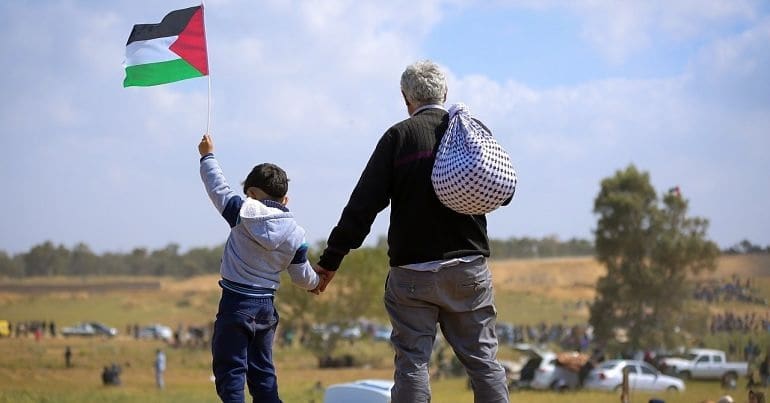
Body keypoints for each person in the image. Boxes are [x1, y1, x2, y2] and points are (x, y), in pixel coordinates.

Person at [314, 60, 511, 403]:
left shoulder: (398, 137)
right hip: (468, 272)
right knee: (483, 363)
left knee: (412, 365)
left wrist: (331, 260)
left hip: (412, 277)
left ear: (406, 98)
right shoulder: (471, 132)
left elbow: (363, 206)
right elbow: (501, 190)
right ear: (445, 93)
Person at [198, 134, 320, 403]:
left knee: (230, 371)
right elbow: (302, 277)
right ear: (285, 200)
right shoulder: (296, 235)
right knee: (263, 373)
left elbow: (216, 186)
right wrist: (316, 283)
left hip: (235, 305)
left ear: (251, 194)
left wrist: (207, 156)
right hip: (266, 309)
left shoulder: (241, 213)